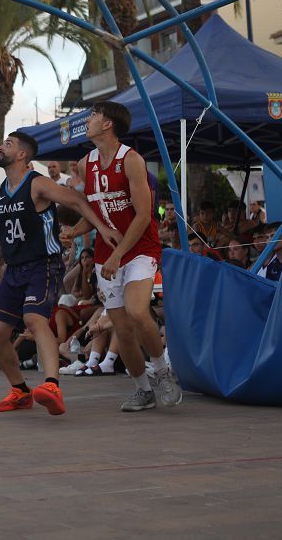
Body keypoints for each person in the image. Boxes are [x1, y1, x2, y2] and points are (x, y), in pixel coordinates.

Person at [0, 130, 120, 417]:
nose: (1, 147)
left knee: (34, 319)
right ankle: (20, 391)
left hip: (43, 264)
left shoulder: (37, 183)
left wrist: (101, 228)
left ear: (22, 154)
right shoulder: (0, 191)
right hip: (14, 268)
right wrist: (0, 263)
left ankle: (52, 386)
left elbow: (78, 201)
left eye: (8, 144)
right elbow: (3, 229)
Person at [64, 101, 182, 412]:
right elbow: (95, 213)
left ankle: (162, 371)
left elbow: (143, 216)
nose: (88, 119)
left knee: (138, 312)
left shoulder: (131, 160)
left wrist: (117, 254)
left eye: (94, 115)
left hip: (139, 249)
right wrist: (74, 232)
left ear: (108, 124)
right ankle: (143, 390)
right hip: (108, 255)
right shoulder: (85, 164)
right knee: (123, 330)